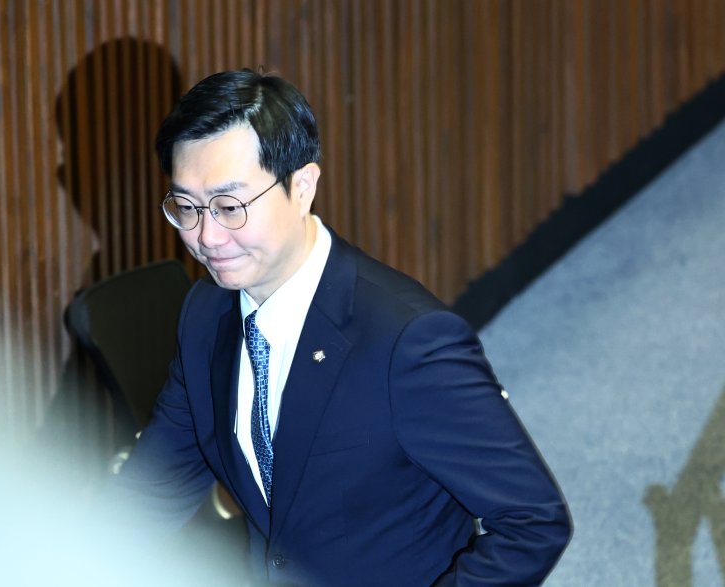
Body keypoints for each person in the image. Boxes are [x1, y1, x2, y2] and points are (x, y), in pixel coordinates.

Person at [105, 68, 571, 586]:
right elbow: (155, 486)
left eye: (230, 206)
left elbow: (533, 522)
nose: (207, 236)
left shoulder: (408, 341)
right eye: (187, 207)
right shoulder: (206, 313)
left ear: (302, 186)